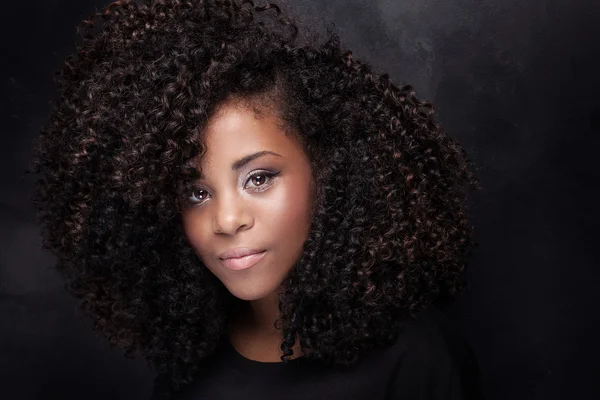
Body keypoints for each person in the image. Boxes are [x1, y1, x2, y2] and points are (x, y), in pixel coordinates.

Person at [29, 0, 484, 398]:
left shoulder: (416, 360)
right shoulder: (189, 365)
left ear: (327, 169)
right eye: (197, 192)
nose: (226, 219)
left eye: (259, 178)